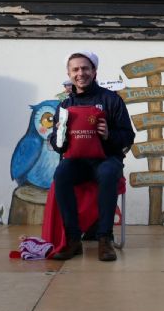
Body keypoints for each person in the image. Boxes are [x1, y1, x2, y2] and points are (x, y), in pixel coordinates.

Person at [49, 51, 135, 261]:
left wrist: (109, 135)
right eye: (75, 69)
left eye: (85, 68)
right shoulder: (64, 106)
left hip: (107, 160)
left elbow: (128, 136)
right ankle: (73, 240)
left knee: (107, 173)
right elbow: (56, 143)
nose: (81, 73)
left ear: (94, 71)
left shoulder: (112, 100)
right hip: (77, 162)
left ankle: (104, 238)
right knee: (61, 173)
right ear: (69, 74)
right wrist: (60, 135)